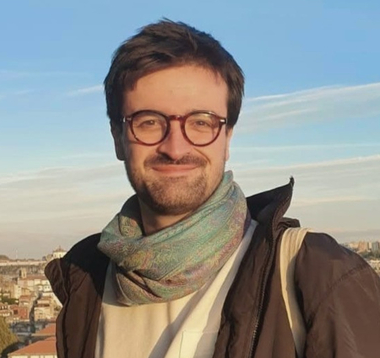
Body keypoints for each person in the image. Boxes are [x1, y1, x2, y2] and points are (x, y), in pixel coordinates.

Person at [45, 20, 380, 358]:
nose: (175, 148)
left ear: (227, 138)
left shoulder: (318, 277)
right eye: (149, 122)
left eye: (201, 123)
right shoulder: (87, 283)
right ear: (118, 138)